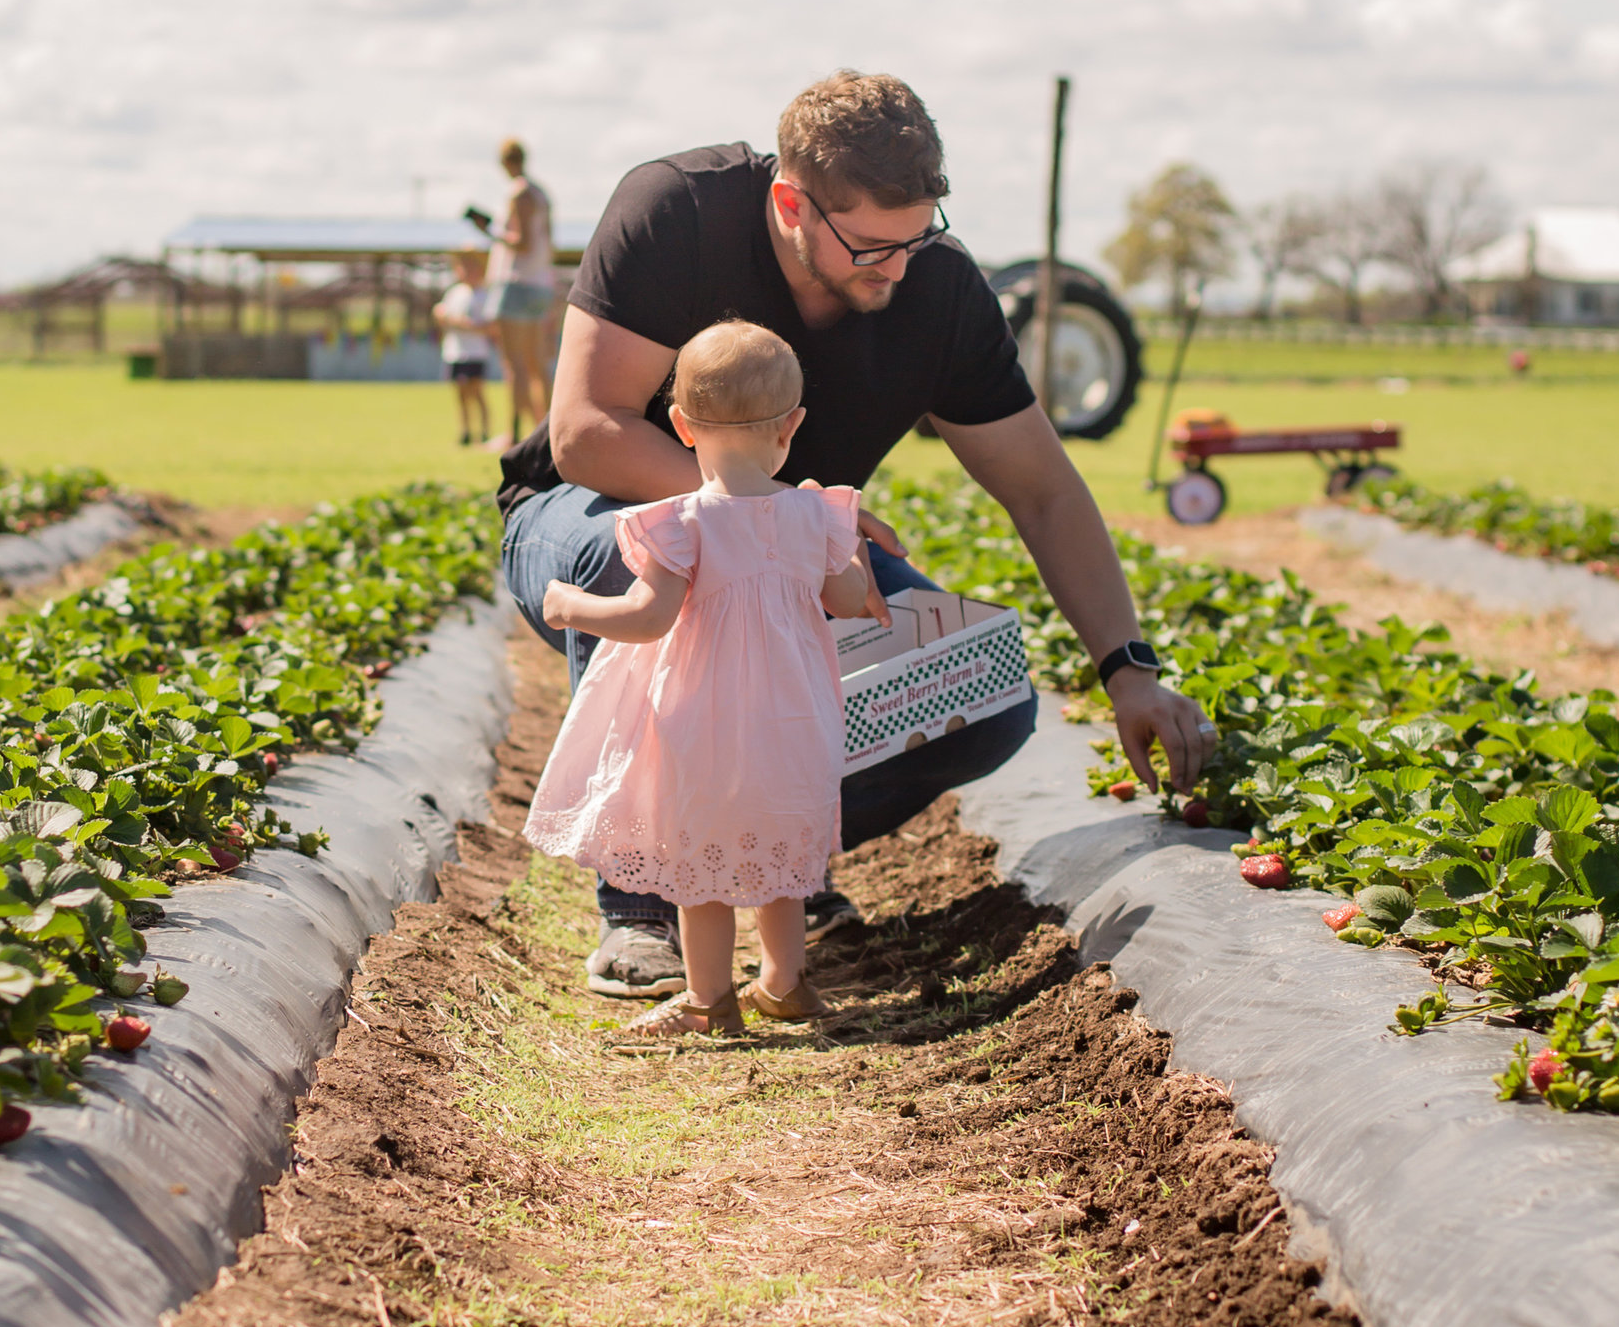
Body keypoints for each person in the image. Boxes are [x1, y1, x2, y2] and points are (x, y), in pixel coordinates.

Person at [500, 70, 1216, 997]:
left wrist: (1129, 669)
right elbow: (587, 432)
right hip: (580, 518)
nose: (901, 267)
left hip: (790, 546)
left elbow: (1042, 490)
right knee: (662, 550)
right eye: (874, 245)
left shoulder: (938, 293)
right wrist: (775, 515)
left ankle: (773, 861)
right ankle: (644, 901)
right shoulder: (675, 213)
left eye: (921, 236)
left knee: (988, 697)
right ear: (791, 203)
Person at [526, 320, 884, 1042]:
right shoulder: (814, 513)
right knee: (777, 855)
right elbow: (849, 601)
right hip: (793, 721)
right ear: (794, 425)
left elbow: (647, 617)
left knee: (704, 866)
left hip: (703, 721)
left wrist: (570, 605)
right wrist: (845, 547)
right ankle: (784, 983)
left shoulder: (683, 523)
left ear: (682, 427)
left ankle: (708, 999)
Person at [489, 135, 557, 438]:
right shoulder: (542, 194)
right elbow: (546, 242)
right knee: (537, 364)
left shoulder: (518, 194)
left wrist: (491, 231)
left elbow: (522, 242)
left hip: (517, 283)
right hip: (540, 283)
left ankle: (513, 434)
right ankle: (548, 433)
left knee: (514, 364)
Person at [432, 244, 501, 446]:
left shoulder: (484, 294)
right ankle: (465, 430)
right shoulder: (455, 293)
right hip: (455, 352)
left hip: (476, 352)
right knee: (460, 394)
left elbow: (490, 326)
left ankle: (485, 430)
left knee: (477, 392)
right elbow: (443, 315)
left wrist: (465, 325)